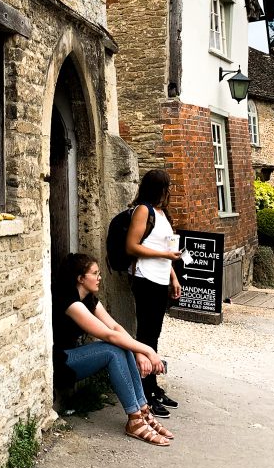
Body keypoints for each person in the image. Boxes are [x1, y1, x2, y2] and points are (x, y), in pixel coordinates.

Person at [52, 252, 174, 446]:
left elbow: (115, 328)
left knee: (121, 346)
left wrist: (138, 352)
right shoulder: (70, 302)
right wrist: (149, 351)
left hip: (74, 357)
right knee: (112, 350)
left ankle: (142, 411)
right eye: (95, 273)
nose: (100, 277)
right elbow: (108, 336)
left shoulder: (89, 299)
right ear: (80, 278)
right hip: (62, 363)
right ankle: (135, 420)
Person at [126, 168, 182, 418]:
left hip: (160, 278)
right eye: (166, 186)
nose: (169, 191)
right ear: (158, 188)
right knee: (146, 335)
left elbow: (166, 248)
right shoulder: (143, 210)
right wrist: (164, 256)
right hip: (145, 278)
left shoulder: (162, 214)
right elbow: (132, 246)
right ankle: (144, 392)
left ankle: (152, 387)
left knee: (154, 335)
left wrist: (173, 277)